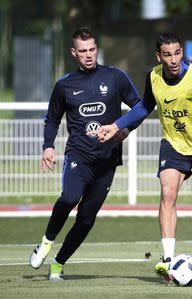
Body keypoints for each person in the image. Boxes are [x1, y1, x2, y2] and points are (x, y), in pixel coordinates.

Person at [97, 32, 192, 284]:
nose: (173, 59)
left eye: (176, 53)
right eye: (167, 54)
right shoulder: (154, 76)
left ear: (181, 52)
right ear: (158, 56)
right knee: (167, 192)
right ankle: (168, 261)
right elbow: (144, 107)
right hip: (173, 144)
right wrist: (116, 125)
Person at [29, 27, 142, 281]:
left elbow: (140, 106)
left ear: (96, 49)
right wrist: (48, 146)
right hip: (78, 155)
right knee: (69, 197)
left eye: (92, 49)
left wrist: (124, 129)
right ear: (73, 53)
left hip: (107, 159)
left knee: (87, 219)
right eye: (83, 51)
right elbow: (52, 119)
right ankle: (46, 242)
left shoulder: (115, 77)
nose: (88, 55)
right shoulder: (65, 85)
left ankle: (58, 263)